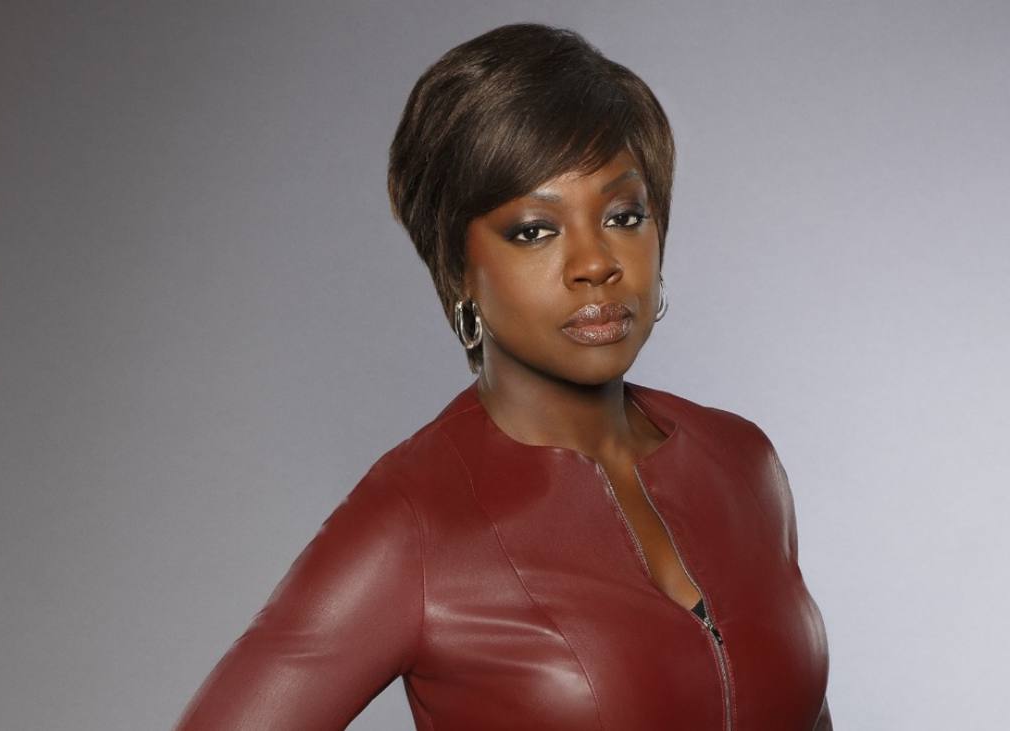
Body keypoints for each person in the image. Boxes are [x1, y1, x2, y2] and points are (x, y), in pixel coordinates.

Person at [174, 22, 832, 730]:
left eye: (623, 215)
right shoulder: (415, 523)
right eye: (533, 230)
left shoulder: (742, 462)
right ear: (459, 267)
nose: (595, 263)